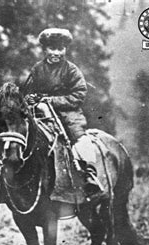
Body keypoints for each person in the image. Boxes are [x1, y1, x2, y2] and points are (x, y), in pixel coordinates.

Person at [24, 28, 103, 201]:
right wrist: (30, 99)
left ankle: (89, 175)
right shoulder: (37, 69)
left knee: (79, 138)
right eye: (52, 48)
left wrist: (52, 101)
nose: (56, 53)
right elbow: (28, 90)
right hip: (41, 114)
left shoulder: (71, 70)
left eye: (60, 49)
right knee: (23, 138)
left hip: (68, 113)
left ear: (65, 50)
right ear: (44, 49)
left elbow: (79, 94)